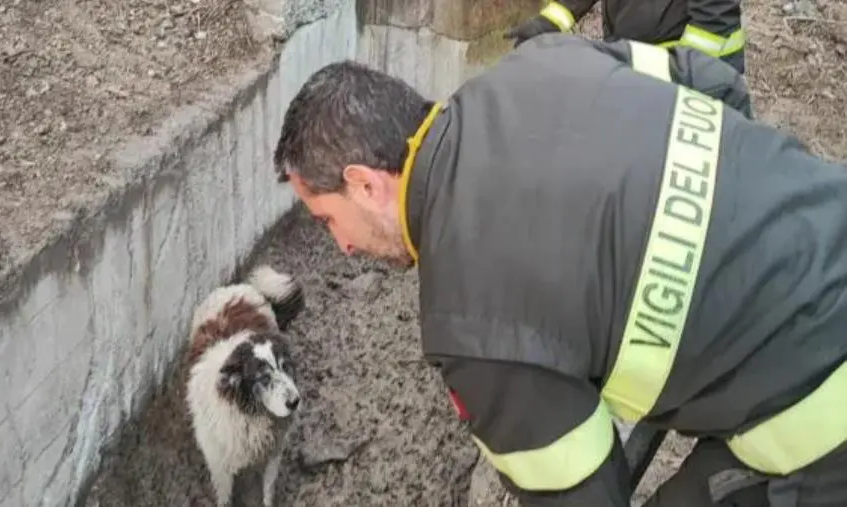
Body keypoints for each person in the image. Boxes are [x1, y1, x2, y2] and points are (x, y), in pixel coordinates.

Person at [272, 33, 847, 507]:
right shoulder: (542, 61)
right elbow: (713, 81)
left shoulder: (469, 318)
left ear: (365, 185)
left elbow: (582, 493)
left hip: (821, 415)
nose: (341, 246)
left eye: (327, 219)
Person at [505, 0, 747, 74]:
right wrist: (550, 20)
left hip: (688, 77)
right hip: (635, 61)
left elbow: (714, 26)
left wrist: (675, 71)